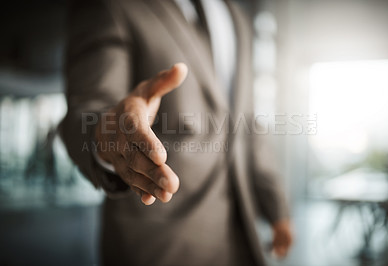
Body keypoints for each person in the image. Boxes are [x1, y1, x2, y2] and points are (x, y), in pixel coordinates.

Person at [61, 0, 293, 265]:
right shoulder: (113, 5)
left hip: (243, 237)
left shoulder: (238, 17)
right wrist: (111, 133)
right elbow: (88, 109)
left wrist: (277, 207)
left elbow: (247, 122)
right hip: (160, 242)